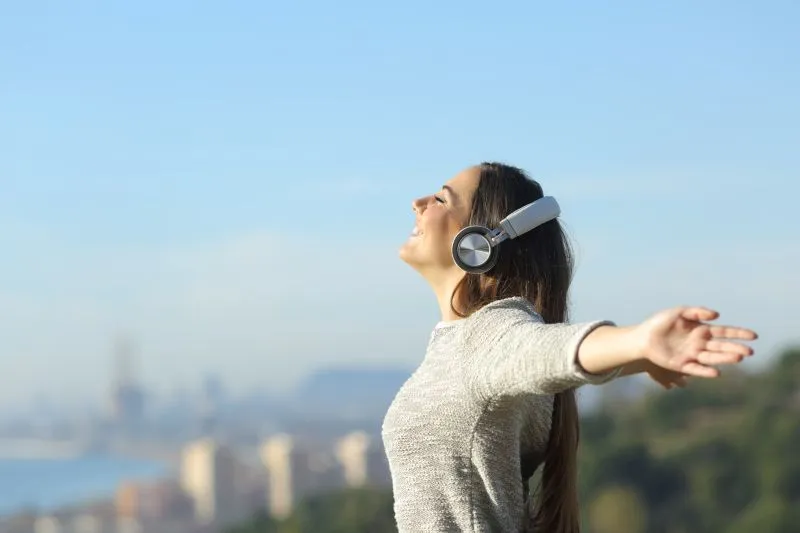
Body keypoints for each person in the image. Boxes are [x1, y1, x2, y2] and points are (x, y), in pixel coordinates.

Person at [381, 162, 757, 533]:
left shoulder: (491, 333)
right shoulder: (462, 346)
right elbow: (531, 366)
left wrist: (637, 340)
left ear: (477, 243)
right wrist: (636, 358)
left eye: (441, 200)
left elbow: (542, 351)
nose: (418, 202)